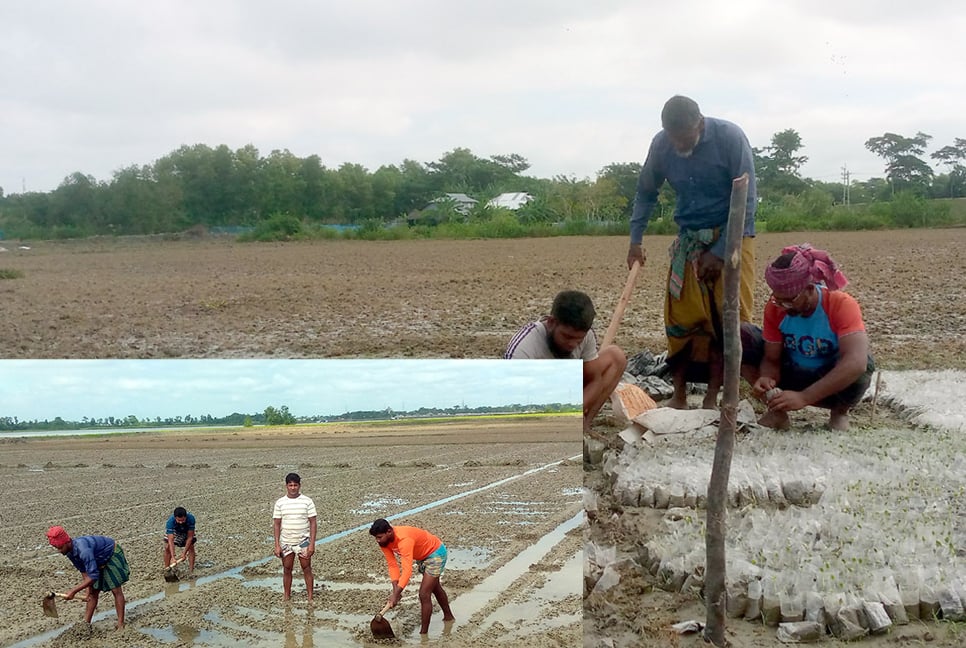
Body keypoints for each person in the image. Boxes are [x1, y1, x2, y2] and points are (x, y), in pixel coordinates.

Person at [627, 94, 757, 410]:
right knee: (681, 321)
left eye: (683, 138)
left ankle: (716, 397)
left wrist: (722, 252)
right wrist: (635, 239)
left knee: (727, 321)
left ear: (699, 123)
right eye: (672, 138)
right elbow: (645, 193)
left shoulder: (730, 138)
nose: (678, 145)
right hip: (688, 240)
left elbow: (748, 200)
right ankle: (680, 395)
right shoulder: (661, 145)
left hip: (733, 236)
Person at [741, 244, 874, 431]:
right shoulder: (776, 308)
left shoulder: (841, 304)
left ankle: (840, 412)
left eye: (789, 300)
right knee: (742, 336)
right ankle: (777, 412)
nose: (782, 306)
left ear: (810, 289)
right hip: (793, 373)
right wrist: (766, 376)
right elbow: (771, 358)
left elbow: (856, 362)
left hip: (830, 380)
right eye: (777, 299)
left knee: (864, 363)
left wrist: (805, 398)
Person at [504, 289, 627, 432]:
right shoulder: (524, 346)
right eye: (567, 337)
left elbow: (595, 379)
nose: (572, 344)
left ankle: (583, 426)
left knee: (615, 357)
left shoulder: (587, 336)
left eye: (578, 339)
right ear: (551, 322)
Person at [369, 518, 455, 635]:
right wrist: (396, 591)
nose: (377, 540)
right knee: (434, 587)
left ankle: (423, 635)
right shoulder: (383, 542)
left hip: (435, 553)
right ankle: (449, 617)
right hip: (421, 556)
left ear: (389, 531)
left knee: (424, 594)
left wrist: (396, 594)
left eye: (379, 537)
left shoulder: (404, 540)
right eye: (376, 538)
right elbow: (392, 565)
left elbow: (407, 571)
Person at [46, 525, 129, 630]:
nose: (59, 551)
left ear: (67, 542)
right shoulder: (70, 553)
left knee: (115, 589)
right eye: (57, 548)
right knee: (92, 593)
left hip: (110, 554)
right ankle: (86, 624)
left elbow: (93, 576)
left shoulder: (83, 550)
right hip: (96, 560)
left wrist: (73, 591)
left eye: (60, 547)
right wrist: (87, 592)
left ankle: (120, 624)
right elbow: (84, 571)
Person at [272, 472, 318, 602]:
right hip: (286, 541)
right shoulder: (280, 503)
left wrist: (312, 544)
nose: (293, 488)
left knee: (306, 567)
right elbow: (276, 524)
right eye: (290, 485)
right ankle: (286, 595)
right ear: (286, 486)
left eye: (295, 485)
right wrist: (277, 544)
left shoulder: (307, 501)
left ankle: (310, 597)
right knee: (287, 568)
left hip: (303, 541)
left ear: (299, 486)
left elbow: (313, 523)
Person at [162, 506, 197, 573]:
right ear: (175, 518)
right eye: (179, 520)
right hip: (175, 531)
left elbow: (190, 537)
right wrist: (173, 557)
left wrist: (184, 553)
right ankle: (167, 569)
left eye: (183, 520)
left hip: (186, 530)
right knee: (167, 547)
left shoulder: (191, 519)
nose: (181, 522)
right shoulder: (170, 522)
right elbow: (171, 540)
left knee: (191, 547)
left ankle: (191, 570)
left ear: (186, 517)